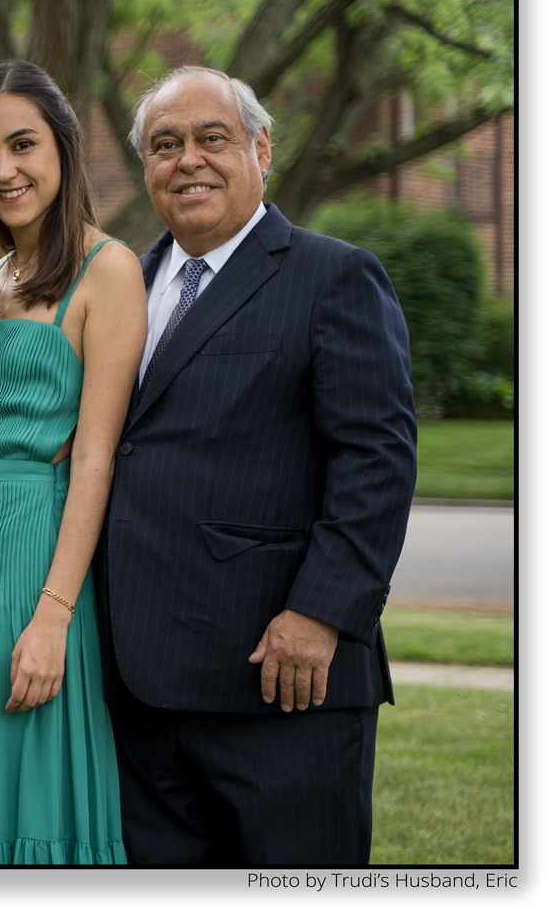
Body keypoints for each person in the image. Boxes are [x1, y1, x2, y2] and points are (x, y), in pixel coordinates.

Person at [96, 66, 417, 865]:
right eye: (165, 145)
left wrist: (322, 613)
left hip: (281, 682)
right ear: (146, 167)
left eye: (213, 138)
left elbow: (375, 458)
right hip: (139, 690)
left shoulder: (334, 275)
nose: (188, 160)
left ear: (260, 148)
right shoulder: (124, 284)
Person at [0, 60, 143, 865]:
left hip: (34, 562)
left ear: (64, 148)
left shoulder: (106, 269)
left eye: (21, 145)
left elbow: (93, 459)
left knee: (25, 783)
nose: (2, 170)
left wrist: (53, 615)